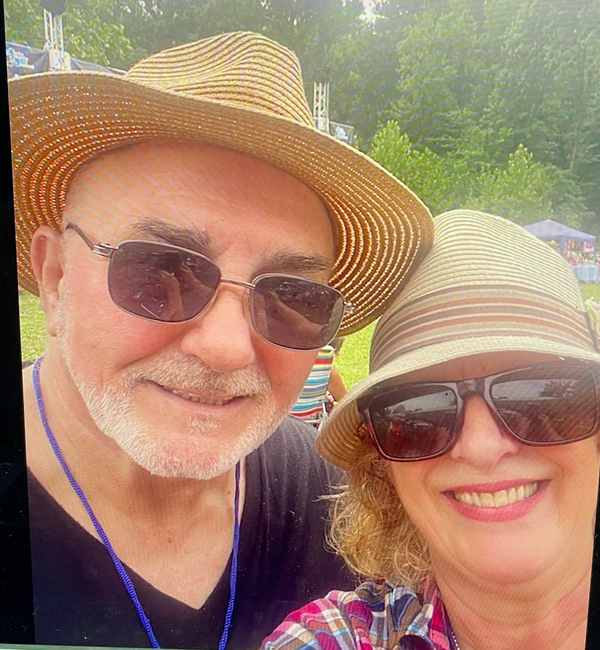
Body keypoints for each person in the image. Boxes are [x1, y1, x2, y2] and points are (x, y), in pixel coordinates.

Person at [8, 32, 434, 648]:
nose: (227, 347)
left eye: (291, 296)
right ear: (55, 278)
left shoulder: (331, 504)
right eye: (161, 272)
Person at [262, 209, 600, 650]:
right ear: (382, 464)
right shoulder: (332, 638)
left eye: (539, 397)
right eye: (419, 414)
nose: (480, 448)